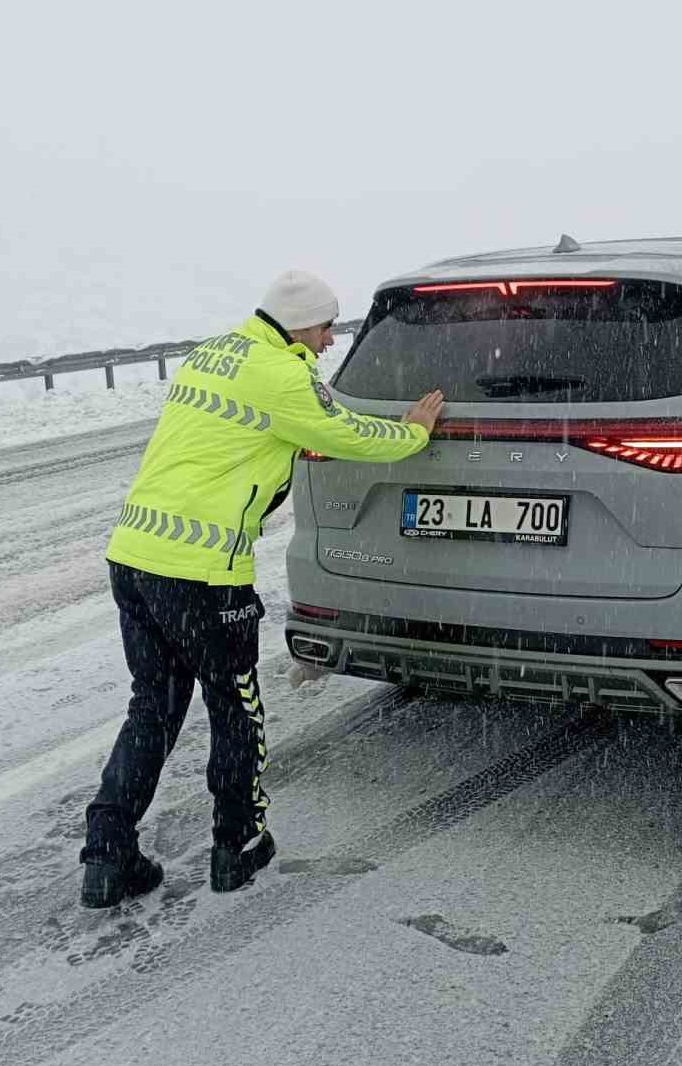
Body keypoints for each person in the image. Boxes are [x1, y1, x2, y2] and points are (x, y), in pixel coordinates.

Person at [80, 269, 444, 907]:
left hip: (134, 555)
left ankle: (108, 858)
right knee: (235, 704)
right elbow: (346, 433)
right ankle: (237, 844)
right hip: (202, 573)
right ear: (301, 321)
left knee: (153, 708)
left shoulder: (214, 351)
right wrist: (414, 431)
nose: (331, 339)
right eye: (328, 326)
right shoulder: (283, 374)